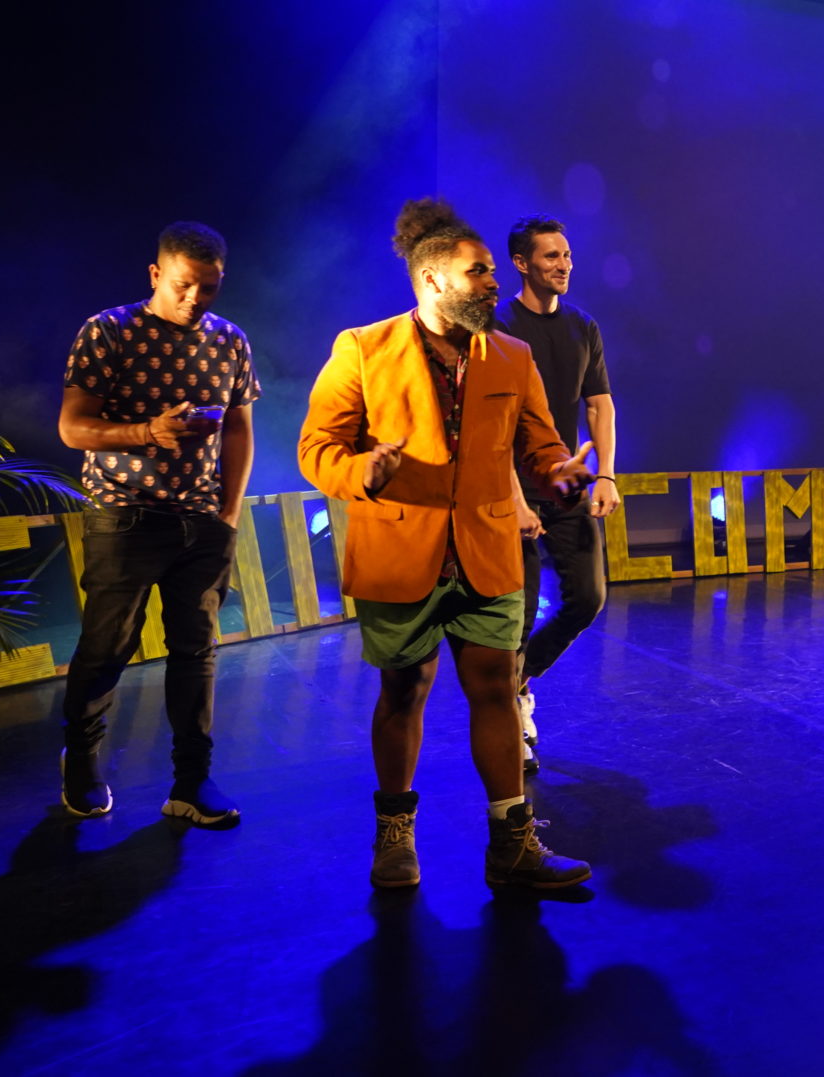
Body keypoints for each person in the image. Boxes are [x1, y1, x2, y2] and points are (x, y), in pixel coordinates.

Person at [299, 198, 594, 890]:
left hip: (486, 552)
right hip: (402, 553)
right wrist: (363, 471)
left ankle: (512, 844)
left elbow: (541, 446)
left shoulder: (512, 355)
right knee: (404, 690)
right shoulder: (363, 349)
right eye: (479, 272)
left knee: (495, 687)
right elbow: (317, 449)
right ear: (432, 280)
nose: (494, 284)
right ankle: (394, 835)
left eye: (492, 271)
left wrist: (559, 475)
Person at [56, 222, 259, 825]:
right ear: (155, 274)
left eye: (208, 287)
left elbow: (239, 428)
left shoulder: (230, 341)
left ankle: (191, 782)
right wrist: (147, 431)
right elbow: (72, 427)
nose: (194, 298)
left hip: (201, 522)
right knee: (107, 648)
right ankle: (81, 758)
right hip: (124, 515)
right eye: (182, 285)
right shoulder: (109, 330)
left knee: (196, 653)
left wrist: (229, 511)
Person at [492, 215, 618, 770]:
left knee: (588, 599)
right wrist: (515, 500)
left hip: (566, 484)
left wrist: (606, 473)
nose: (564, 264)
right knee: (516, 616)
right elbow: (492, 423)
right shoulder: (498, 324)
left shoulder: (582, 326)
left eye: (566, 255)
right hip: (511, 489)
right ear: (522, 264)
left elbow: (599, 404)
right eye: (551, 256)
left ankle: (519, 682)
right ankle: (509, 720)